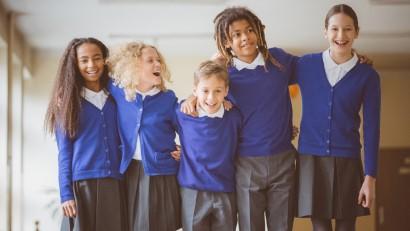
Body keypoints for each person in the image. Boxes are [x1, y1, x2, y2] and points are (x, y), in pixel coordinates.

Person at [183, 6, 298, 231]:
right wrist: (191, 95)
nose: (245, 37)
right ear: (226, 42)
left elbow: (316, 69)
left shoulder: (278, 61)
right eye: (236, 34)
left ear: (258, 31)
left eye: (249, 30)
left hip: (283, 159)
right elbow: (205, 88)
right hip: (245, 164)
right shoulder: (226, 74)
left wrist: (349, 58)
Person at [295, 4, 381, 231]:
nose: (341, 36)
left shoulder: (368, 76)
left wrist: (370, 178)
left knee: (346, 228)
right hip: (310, 159)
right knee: (320, 228)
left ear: (356, 32)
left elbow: (372, 128)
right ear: (325, 31)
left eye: (347, 29)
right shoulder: (305, 65)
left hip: (348, 160)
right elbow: (269, 71)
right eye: (334, 29)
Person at [44, 37, 126, 231]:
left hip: (116, 183)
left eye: (97, 58)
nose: (92, 65)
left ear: (105, 60)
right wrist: (66, 194)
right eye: (84, 60)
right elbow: (64, 153)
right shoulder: (67, 103)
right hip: (83, 187)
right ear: (75, 64)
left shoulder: (117, 97)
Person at [106, 41, 181, 231]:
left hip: (161, 173)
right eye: (150, 60)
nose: (158, 64)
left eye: (159, 60)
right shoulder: (119, 92)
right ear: (134, 66)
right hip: (129, 172)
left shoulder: (168, 98)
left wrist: (186, 150)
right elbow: (95, 73)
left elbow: (189, 129)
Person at [176, 60, 242, 231]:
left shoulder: (234, 116)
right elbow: (158, 126)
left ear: (226, 91)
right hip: (192, 190)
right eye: (205, 91)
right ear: (195, 90)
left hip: (226, 189)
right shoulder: (184, 113)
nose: (211, 98)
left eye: (218, 91)